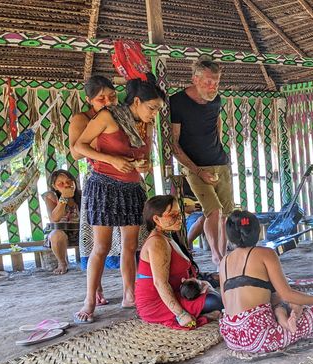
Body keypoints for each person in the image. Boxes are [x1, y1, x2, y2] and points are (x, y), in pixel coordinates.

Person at [72, 73, 165, 323]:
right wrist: (112, 159)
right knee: (101, 247)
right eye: (152, 108)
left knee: (130, 247)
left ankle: (129, 294)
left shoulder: (146, 125)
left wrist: (144, 165)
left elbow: (145, 157)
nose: (154, 113)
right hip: (103, 186)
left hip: (131, 188)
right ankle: (89, 300)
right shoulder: (108, 116)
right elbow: (79, 147)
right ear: (136, 102)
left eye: (157, 110)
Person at [218, 211, 313, 353]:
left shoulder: (223, 262)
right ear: (256, 232)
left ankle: (285, 321)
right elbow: (287, 294)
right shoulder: (266, 253)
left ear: (231, 235)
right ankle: (289, 326)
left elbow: (226, 304)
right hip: (258, 338)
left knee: (278, 304)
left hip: (231, 336)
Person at [170, 57, 233, 266]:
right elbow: (174, 143)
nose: (213, 86)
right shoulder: (178, 102)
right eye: (208, 81)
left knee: (226, 214)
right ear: (194, 79)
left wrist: (219, 150)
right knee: (212, 211)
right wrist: (197, 171)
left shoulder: (216, 100)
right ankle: (215, 255)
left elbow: (217, 125)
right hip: (195, 166)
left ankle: (223, 257)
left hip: (220, 162)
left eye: (216, 82)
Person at [136, 196, 223, 329]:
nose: (179, 218)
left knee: (221, 283)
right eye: (172, 215)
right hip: (156, 303)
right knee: (215, 301)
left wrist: (198, 283)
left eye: (179, 214)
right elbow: (160, 283)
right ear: (156, 219)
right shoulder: (157, 242)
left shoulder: (168, 236)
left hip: (181, 290)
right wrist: (181, 314)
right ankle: (204, 315)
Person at [68, 75, 119, 305]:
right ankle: (95, 290)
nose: (107, 102)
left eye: (112, 97)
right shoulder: (82, 119)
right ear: (89, 100)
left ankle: (130, 291)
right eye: (101, 99)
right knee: (97, 243)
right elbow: (77, 152)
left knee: (125, 241)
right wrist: (100, 128)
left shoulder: (121, 115)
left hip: (122, 179)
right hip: (98, 180)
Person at [41, 170, 81, 275]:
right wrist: (64, 198)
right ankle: (62, 263)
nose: (66, 185)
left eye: (69, 181)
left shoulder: (81, 195)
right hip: (60, 231)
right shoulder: (51, 196)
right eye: (61, 183)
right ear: (54, 186)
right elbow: (54, 219)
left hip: (80, 232)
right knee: (56, 235)